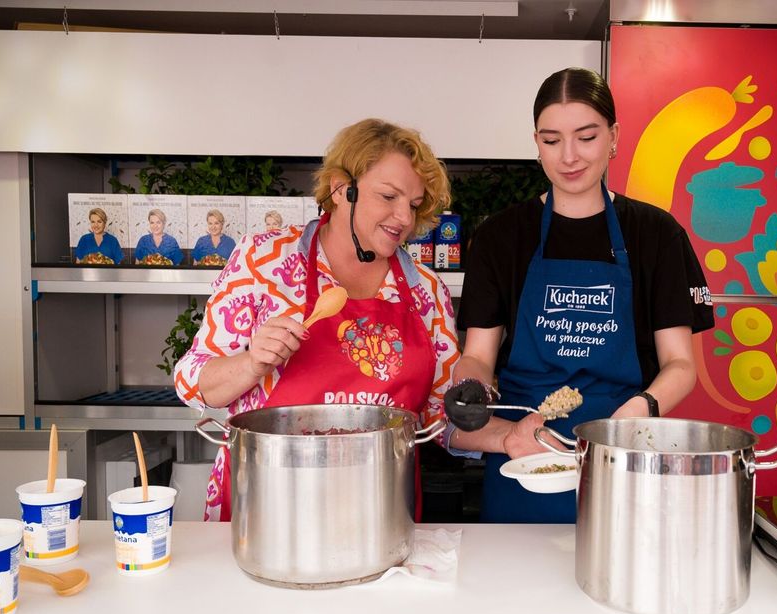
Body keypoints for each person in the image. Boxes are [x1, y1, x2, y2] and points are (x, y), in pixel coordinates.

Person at [445, 68, 715, 523]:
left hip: (621, 456)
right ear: (536, 142)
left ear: (613, 136)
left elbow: (681, 365)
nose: (568, 157)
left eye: (585, 137)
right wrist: (469, 386)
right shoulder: (501, 236)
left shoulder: (656, 234)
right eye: (551, 141)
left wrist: (638, 410)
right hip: (523, 457)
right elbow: (479, 356)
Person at [174, 118, 457, 522]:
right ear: (343, 189)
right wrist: (251, 362)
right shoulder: (263, 261)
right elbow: (192, 382)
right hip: (268, 507)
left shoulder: (426, 290)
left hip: (378, 511)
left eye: (413, 205)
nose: (404, 219)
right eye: (389, 197)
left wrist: (501, 431)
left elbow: (441, 417)